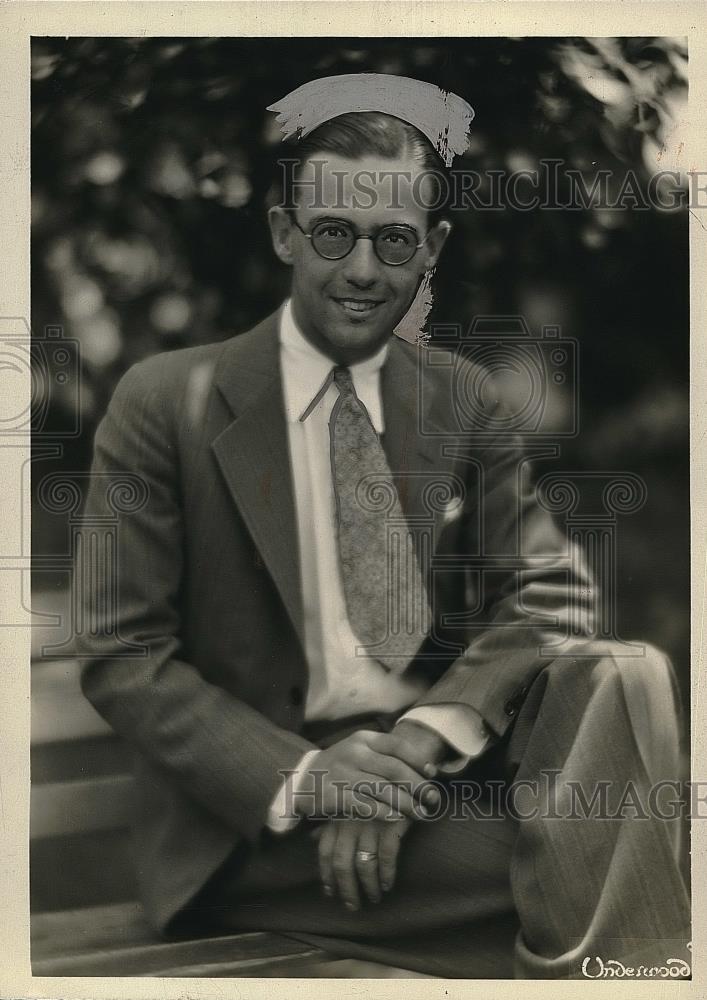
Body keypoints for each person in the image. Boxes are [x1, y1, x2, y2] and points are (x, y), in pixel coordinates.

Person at [77, 75, 690, 978]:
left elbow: (548, 586)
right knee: (611, 866)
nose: (363, 270)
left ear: (429, 248)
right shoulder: (165, 401)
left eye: (393, 241)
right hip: (261, 823)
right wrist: (316, 777)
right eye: (333, 233)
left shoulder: (459, 399)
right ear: (285, 230)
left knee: (624, 673)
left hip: (434, 783)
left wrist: (414, 751)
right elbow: (121, 652)